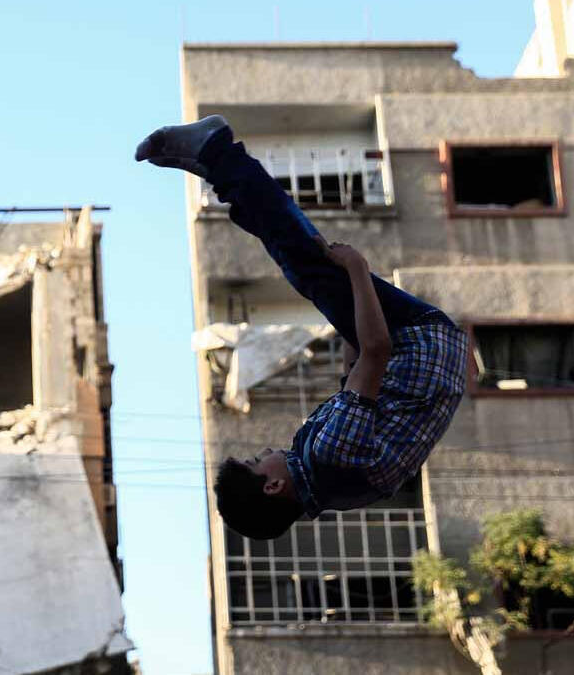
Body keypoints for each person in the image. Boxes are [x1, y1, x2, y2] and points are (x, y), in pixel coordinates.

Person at [136, 115, 467, 540]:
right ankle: (216, 153)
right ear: (273, 486)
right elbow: (377, 351)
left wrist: (345, 317)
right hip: (419, 343)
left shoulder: (330, 483)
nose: (266, 451)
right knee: (306, 264)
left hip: (426, 355)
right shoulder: (328, 456)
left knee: (302, 265)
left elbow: (358, 373)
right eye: (258, 461)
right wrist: (357, 270)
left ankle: (219, 169)